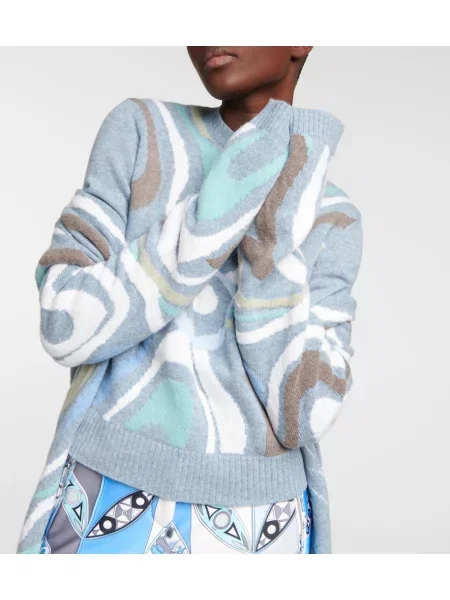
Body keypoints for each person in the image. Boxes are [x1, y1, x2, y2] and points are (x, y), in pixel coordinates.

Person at [17, 46, 363, 554]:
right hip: (110, 488)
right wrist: (231, 193)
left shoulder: (333, 215)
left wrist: (273, 232)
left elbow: (304, 416)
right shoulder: (142, 132)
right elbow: (63, 320)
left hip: (263, 519)